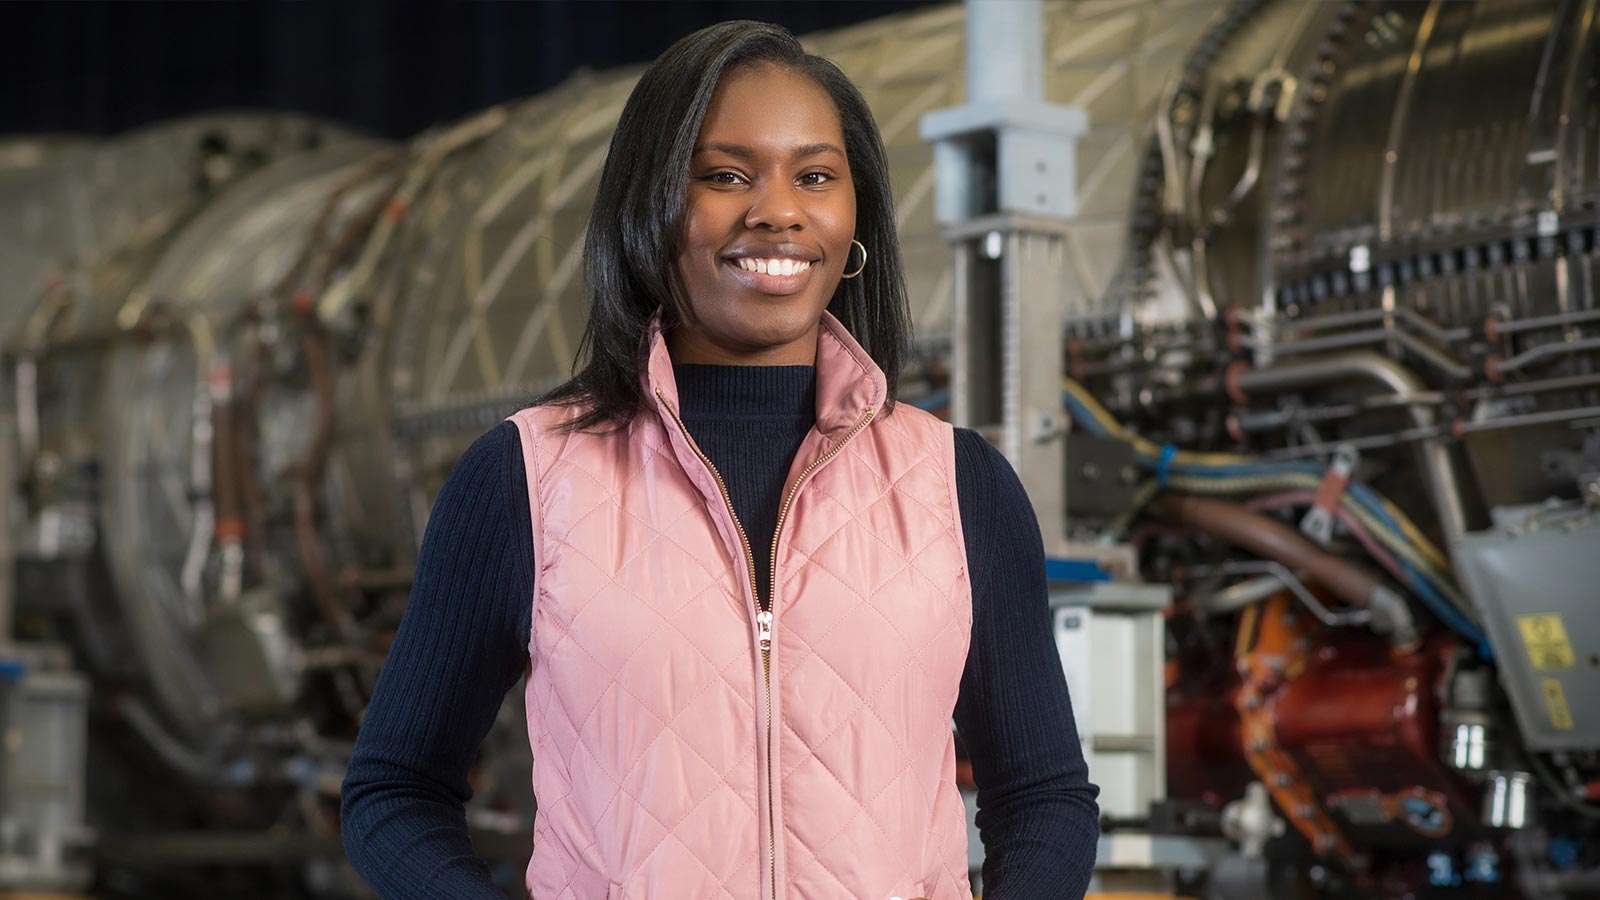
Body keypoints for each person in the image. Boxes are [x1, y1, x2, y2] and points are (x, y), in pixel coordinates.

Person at [341, 20, 1098, 900]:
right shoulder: (526, 479)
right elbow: (394, 790)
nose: (778, 210)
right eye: (726, 175)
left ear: (855, 217)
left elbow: (1045, 798)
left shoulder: (957, 485)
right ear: (651, 206)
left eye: (815, 176)